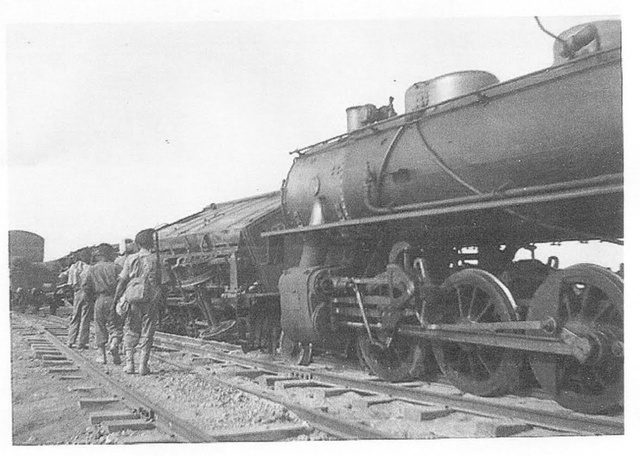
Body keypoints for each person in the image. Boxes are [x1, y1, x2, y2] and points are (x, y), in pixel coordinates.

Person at [113, 229, 164, 375]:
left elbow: (122, 281)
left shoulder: (131, 259)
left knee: (131, 329)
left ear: (137, 244)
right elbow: (164, 283)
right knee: (147, 332)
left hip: (133, 299)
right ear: (151, 243)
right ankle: (143, 365)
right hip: (151, 299)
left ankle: (130, 365)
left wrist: (116, 299)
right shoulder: (156, 259)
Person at [82, 243, 122, 364]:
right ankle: (114, 343)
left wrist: (91, 299)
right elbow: (123, 283)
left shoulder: (92, 269)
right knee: (116, 325)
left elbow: (86, 286)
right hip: (113, 299)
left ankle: (102, 356)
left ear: (99, 255)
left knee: (99, 326)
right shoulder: (116, 267)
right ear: (110, 254)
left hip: (99, 299)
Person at [67, 248, 92, 348]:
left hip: (77, 292)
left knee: (75, 316)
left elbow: (70, 283)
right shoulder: (89, 268)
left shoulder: (73, 267)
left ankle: (70, 340)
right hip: (86, 293)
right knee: (85, 317)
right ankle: (82, 342)